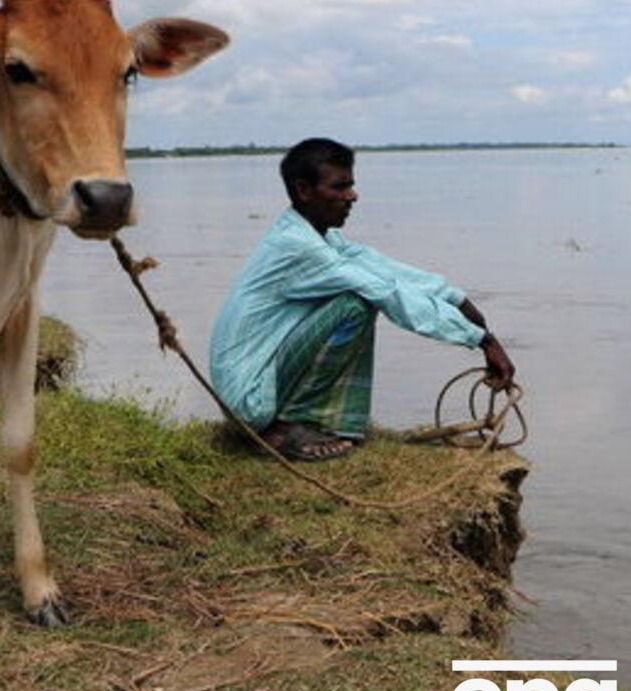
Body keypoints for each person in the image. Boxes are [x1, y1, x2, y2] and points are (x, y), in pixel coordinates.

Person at [210, 137, 515, 461]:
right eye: (339, 187)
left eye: (351, 186)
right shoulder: (297, 246)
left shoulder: (318, 237)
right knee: (355, 305)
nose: (352, 196)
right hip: (249, 397)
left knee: (360, 295)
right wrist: (482, 339)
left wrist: (456, 298)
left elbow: (381, 268)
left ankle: (315, 420)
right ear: (303, 190)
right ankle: (284, 428)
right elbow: (383, 292)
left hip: (254, 382)